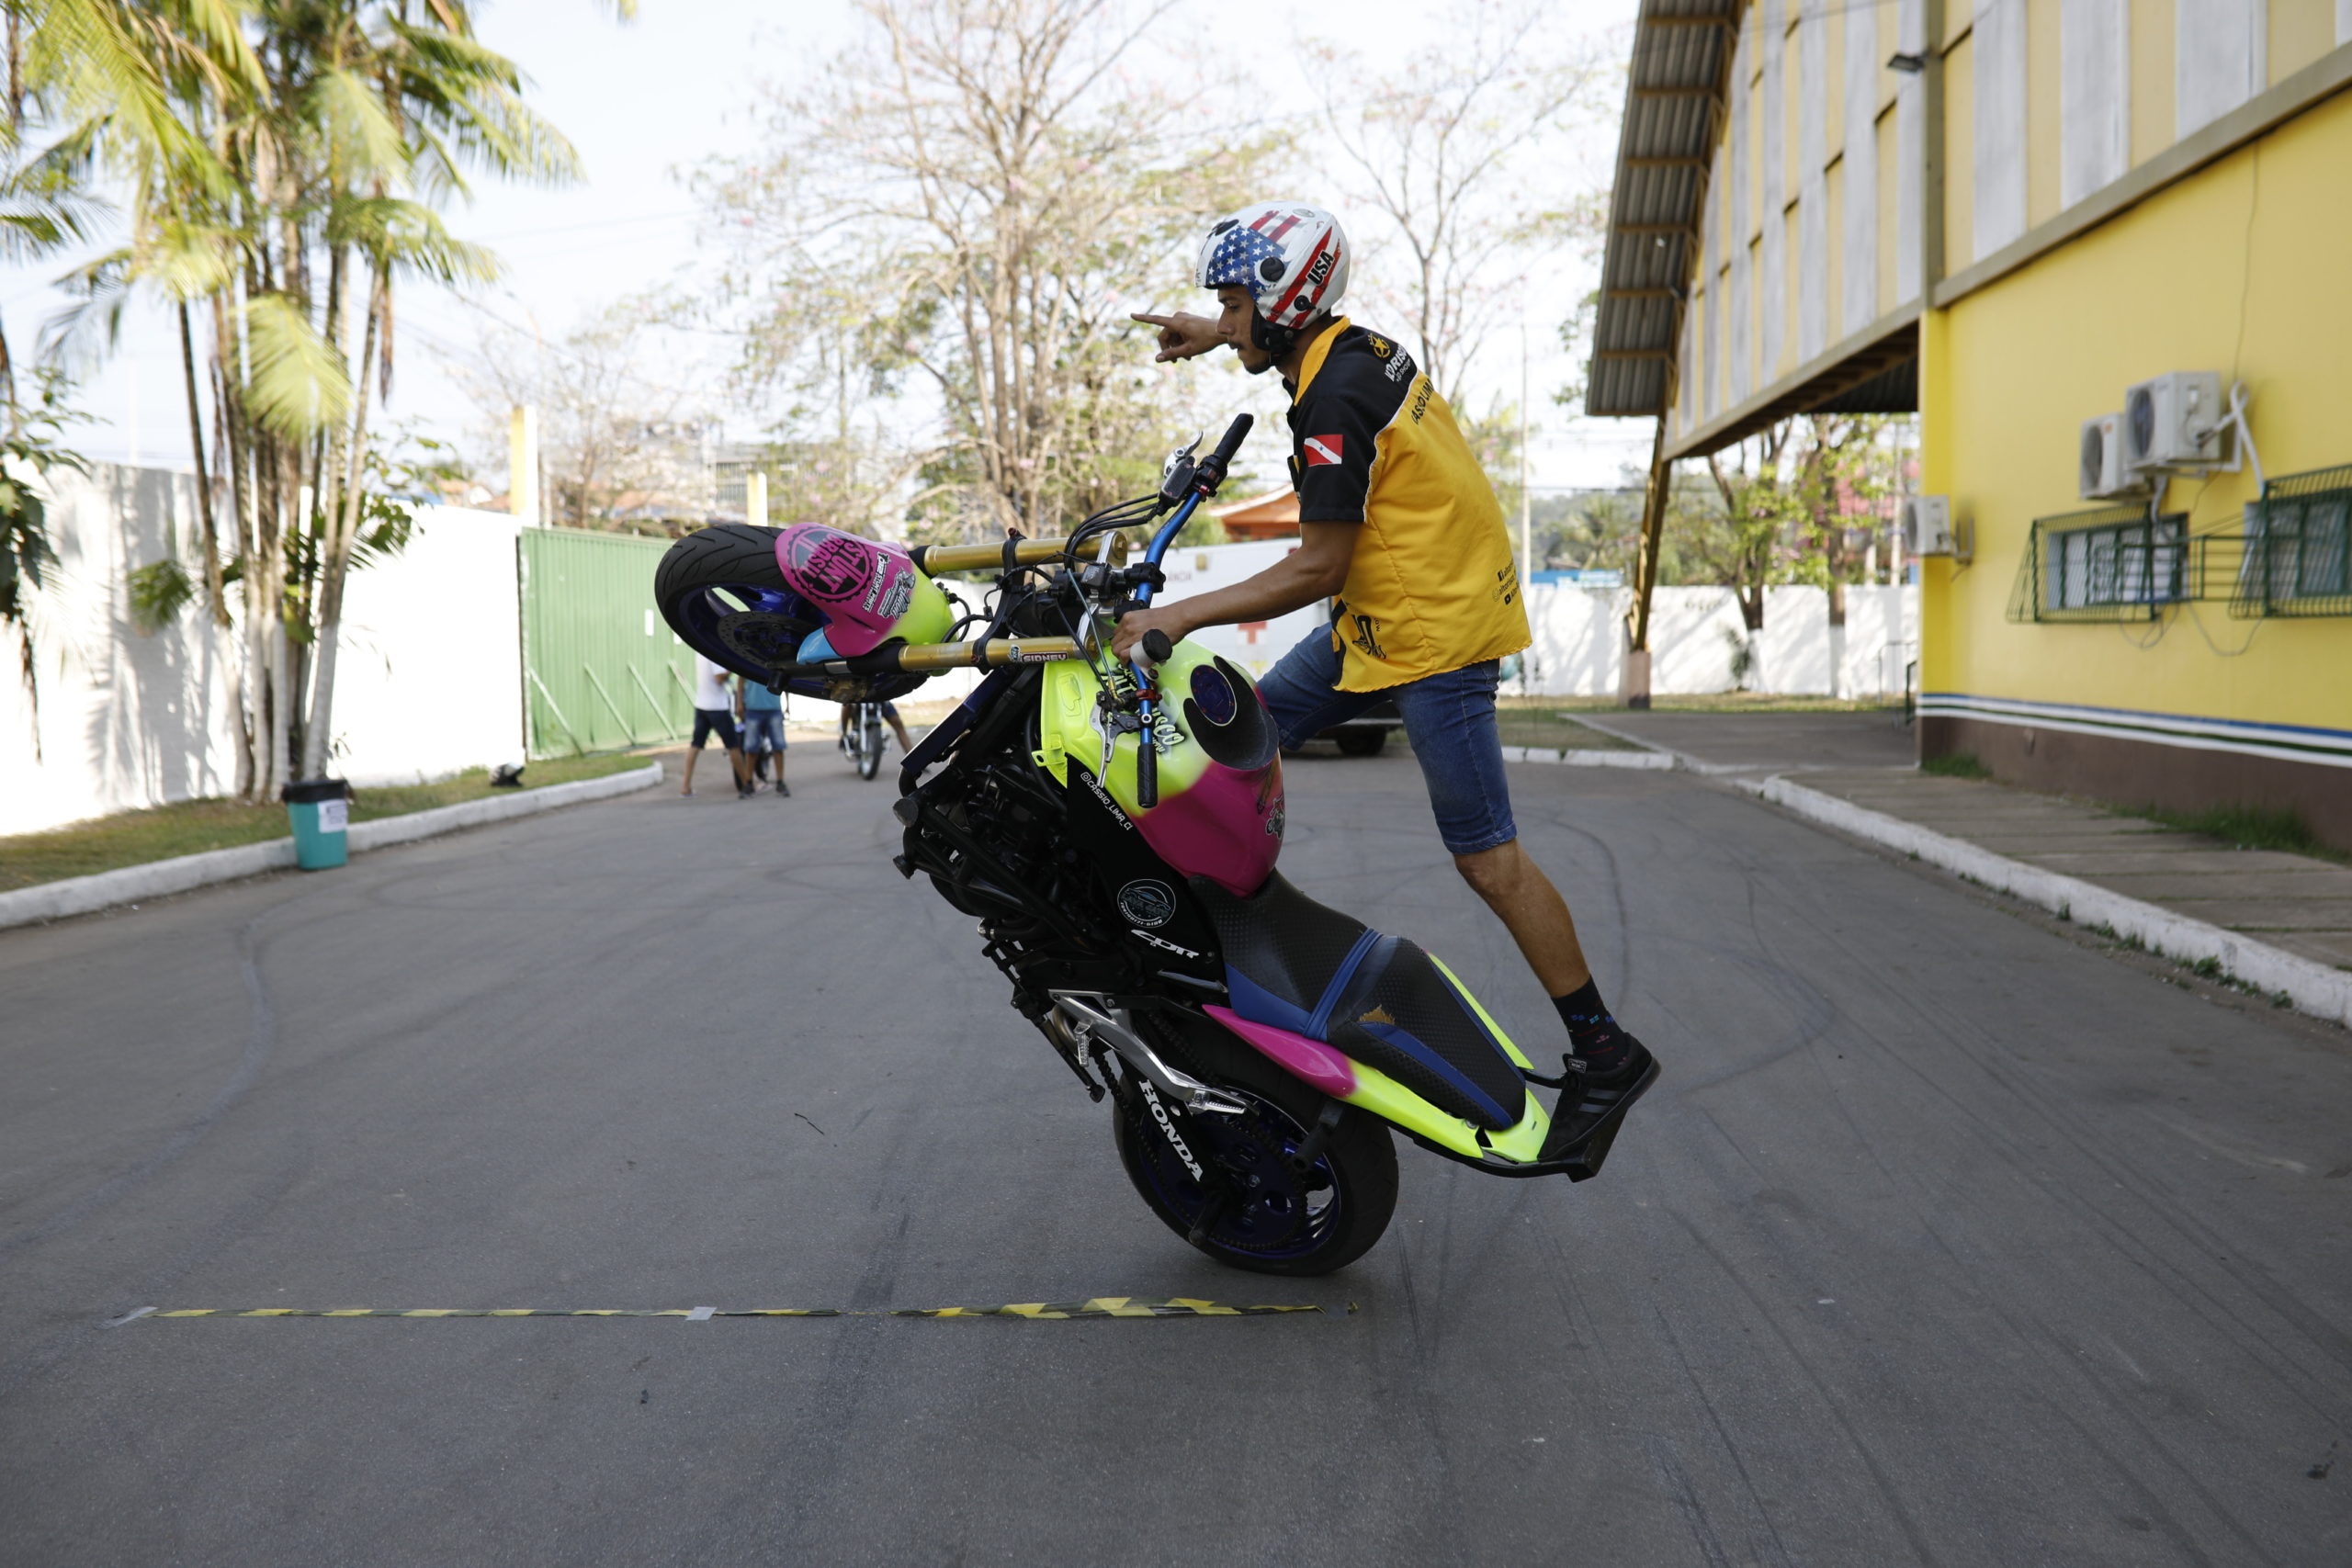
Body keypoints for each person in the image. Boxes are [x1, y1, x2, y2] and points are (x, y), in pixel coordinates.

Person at [1118, 200, 1657, 1162]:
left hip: (1433, 637)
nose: (1227, 317)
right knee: (1241, 731)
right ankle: (1234, 936)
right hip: (1387, 614)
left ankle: (1605, 1051)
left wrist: (1176, 616)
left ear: (1286, 303)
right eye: (1223, 304)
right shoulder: (1353, 349)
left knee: (1487, 859)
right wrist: (1217, 332)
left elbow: (1317, 565)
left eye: (1236, 303)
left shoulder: (1332, 400)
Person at [683, 654, 753, 798]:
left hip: (702, 704)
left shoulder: (700, 651)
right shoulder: (714, 653)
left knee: (695, 745)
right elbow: (719, 678)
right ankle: (746, 784)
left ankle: (685, 786)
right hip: (717, 707)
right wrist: (735, 666)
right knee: (733, 746)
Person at [741, 675, 790, 797]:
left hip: (773, 707)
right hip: (753, 707)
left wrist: (788, 705)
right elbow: (741, 678)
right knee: (751, 748)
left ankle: (780, 781)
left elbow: (785, 680)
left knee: (778, 746)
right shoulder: (751, 663)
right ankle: (748, 782)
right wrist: (739, 703)